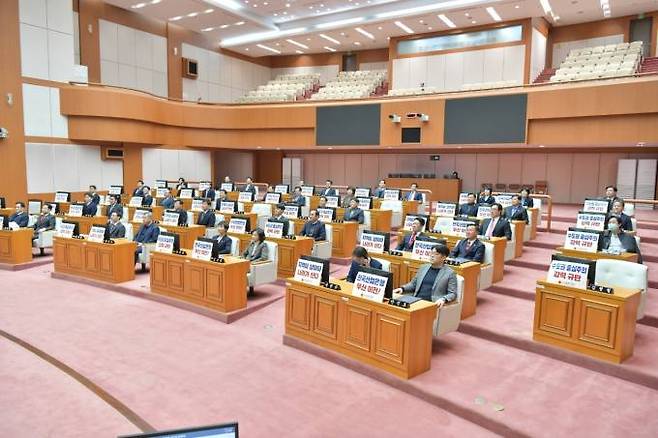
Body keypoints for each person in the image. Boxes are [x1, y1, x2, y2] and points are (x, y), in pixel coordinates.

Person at [392, 244, 457, 306]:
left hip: (432, 302)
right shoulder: (423, 267)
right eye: (431, 253)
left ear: (443, 257)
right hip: (416, 299)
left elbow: (452, 293)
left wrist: (443, 299)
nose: (432, 256)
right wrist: (402, 289)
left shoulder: (450, 273)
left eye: (436, 254)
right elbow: (413, 284)